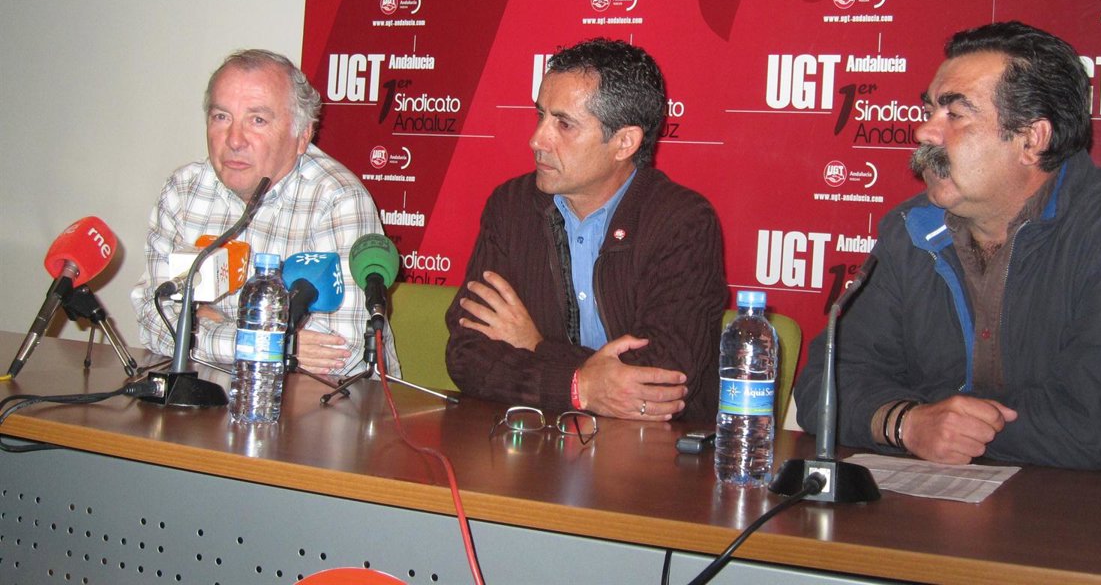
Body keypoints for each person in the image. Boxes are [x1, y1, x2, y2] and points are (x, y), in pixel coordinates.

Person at [796, 21, 1101, 468]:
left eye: (955, 114)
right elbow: (824, 384)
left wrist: (949, 424)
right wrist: (908, 423)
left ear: (1032, 139)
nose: (925, 132)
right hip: (945, 501)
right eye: (929, 110)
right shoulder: (911, 230)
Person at [445, 38, 726, 422]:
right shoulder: (511, 207)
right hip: (539, 439)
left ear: (624, 142)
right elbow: (467, 354)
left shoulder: (682, 223)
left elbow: (660, 381)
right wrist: (581, 386)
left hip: (654, 448)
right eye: (540, 115)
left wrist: (538, 347)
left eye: (564, 124)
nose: (537, 139)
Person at [132, 49, 400, 378]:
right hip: (211, 393)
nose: (234, 140)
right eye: (221, 117)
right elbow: (153, 319)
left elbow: (340, 355)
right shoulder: (183, 190)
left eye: (257, 120)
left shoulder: (337, 200)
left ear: (302, 136)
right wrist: (261, 341)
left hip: (331, 401)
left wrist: (205, 323)